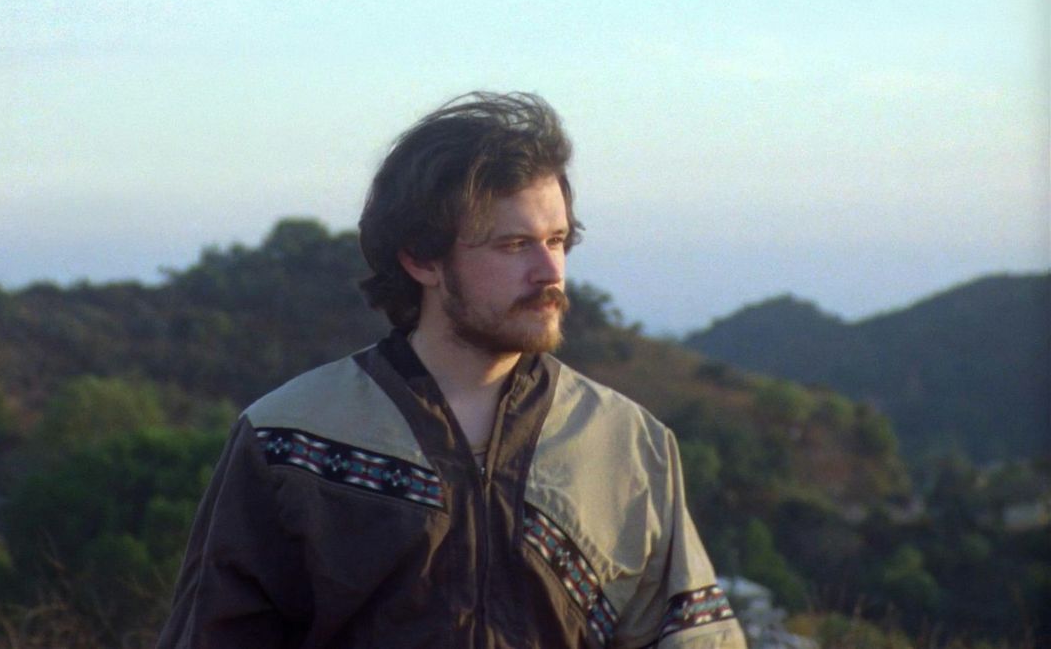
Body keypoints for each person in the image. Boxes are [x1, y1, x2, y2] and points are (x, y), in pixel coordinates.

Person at [158, 92, 746, 649]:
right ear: (422, 259)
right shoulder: (289, 440)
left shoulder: (629, 445)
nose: (550, 272)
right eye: (514, 245)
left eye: (557, 240)